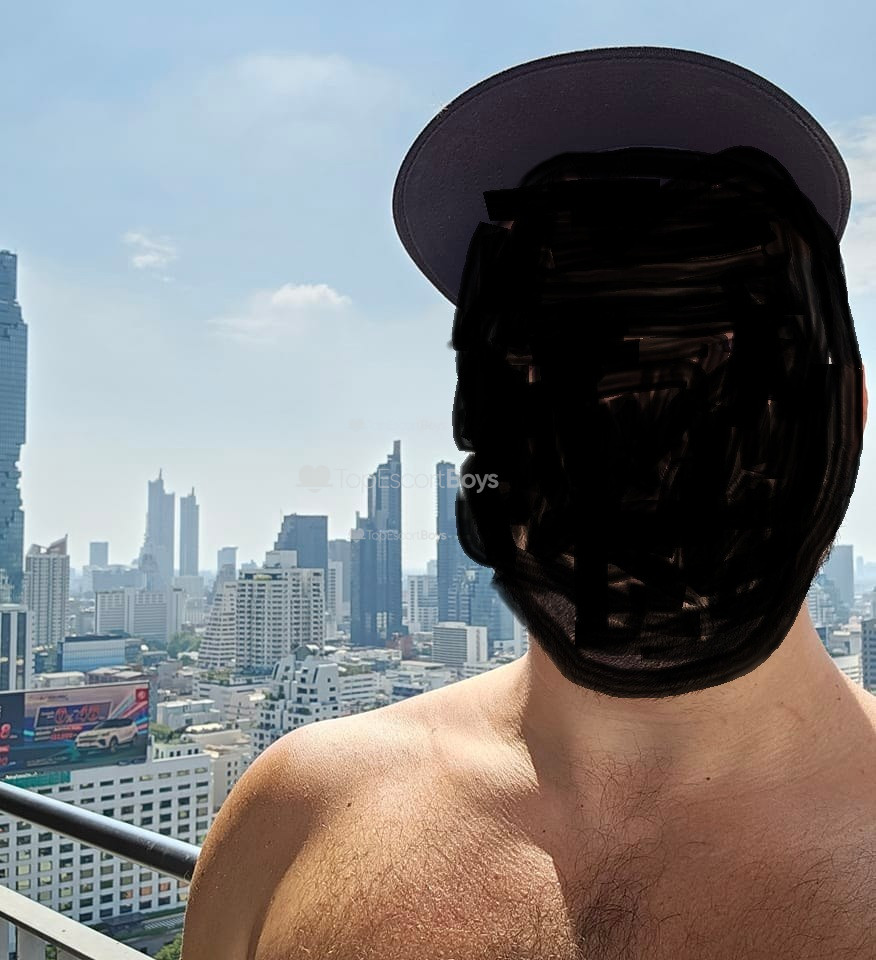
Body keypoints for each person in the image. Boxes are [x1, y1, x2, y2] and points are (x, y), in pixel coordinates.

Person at [182, 48, 874, 960]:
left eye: (712, 360)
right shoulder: (297, 813)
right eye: (554, 364)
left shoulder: (307, 819)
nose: (631, 427)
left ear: (846, 411)